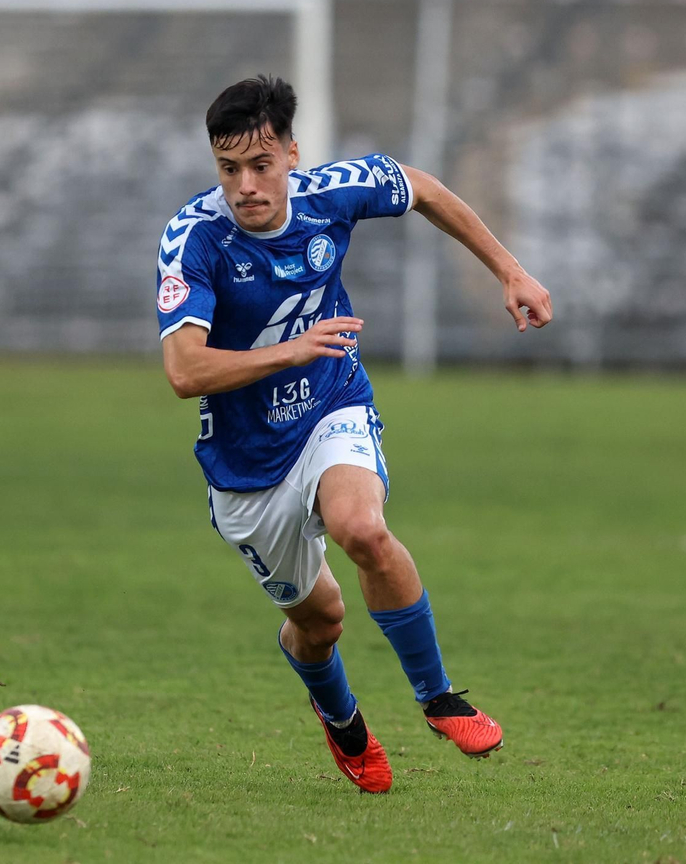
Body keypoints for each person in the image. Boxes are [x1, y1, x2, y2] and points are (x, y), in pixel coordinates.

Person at [154, 75, 552, 793]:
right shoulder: (195, 240)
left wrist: (510, 271)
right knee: (321, 623)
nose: (246, 185)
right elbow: (184, 371)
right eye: (228, 168)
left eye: (261, 165)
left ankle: (438, 697)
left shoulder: (333, 192)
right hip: (246, 468)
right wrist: (290, 350)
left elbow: (423, 187)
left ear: (291, 157)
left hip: (331, 406)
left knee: (362, 530)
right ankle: (341, 719)